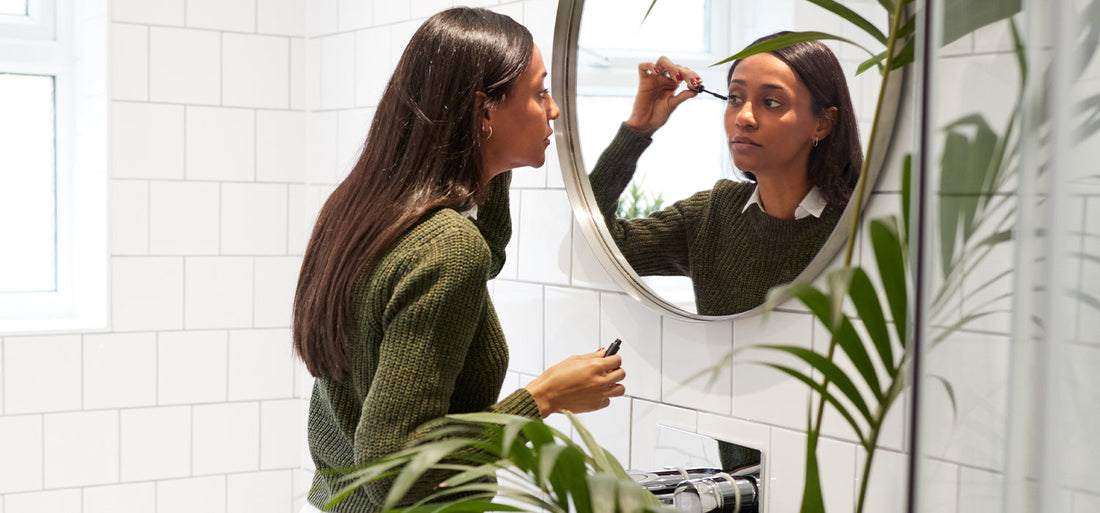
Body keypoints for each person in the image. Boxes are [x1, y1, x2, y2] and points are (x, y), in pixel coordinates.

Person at [292, 8, 626, 512]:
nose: (553, 110)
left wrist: (490, 162)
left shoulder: (361, 209)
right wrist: (543, 398)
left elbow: (481, 256)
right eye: (538, 93)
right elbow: (397, 469)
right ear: (483, 111)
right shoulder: (447, 246)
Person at [589, 32, 863, 315]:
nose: (743, 117)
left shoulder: (858, 223)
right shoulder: (711, 214)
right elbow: (598, 246)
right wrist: (638, 129)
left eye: (771, 102)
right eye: (735, 98)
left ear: (823, 123)